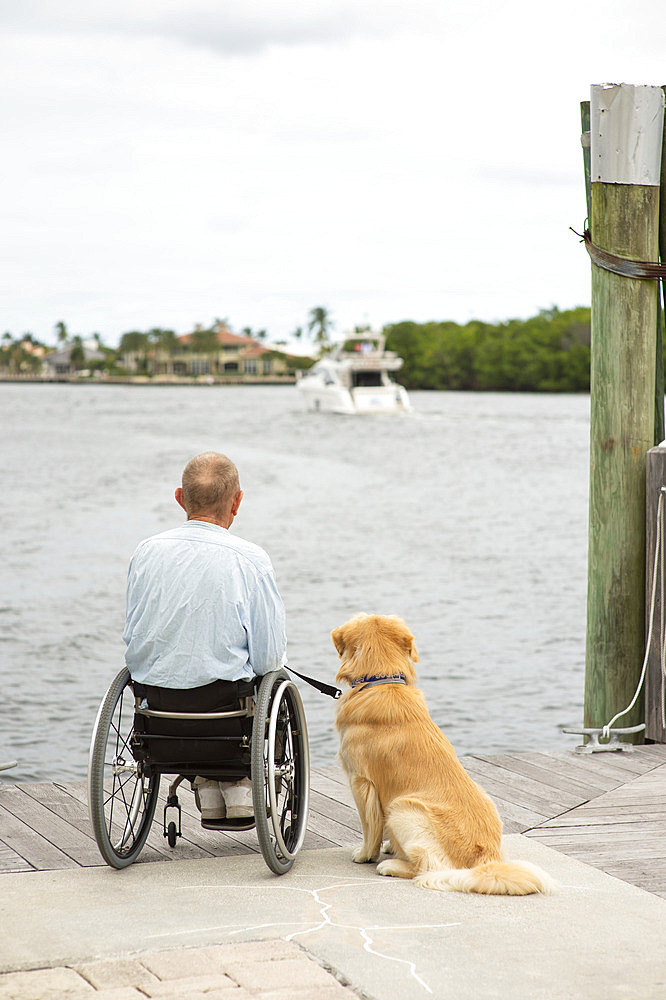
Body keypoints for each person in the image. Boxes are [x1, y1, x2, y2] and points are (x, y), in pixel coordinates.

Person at [123, 451, 287, 821]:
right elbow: (267, 658)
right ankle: (234, 785)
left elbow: (133, 638)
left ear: (180, 497)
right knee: (273, 678)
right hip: (227, 716)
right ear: (238, 501)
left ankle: (206, 781)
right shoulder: (251, 559)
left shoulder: (146, 552)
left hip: (158, 714)